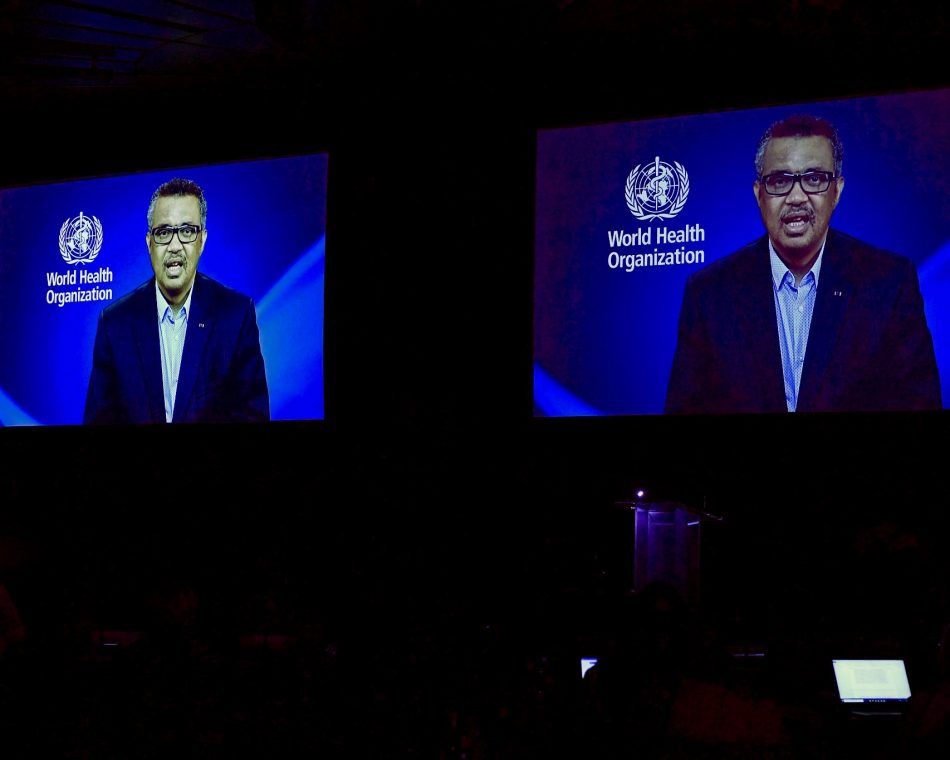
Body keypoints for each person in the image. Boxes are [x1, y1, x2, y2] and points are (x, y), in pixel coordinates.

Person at [665, 114, 941, 414]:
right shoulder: (709, 293)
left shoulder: (889, 284)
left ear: (837, 191)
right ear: (759, 195)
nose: (796, 197)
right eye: (780, 181)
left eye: (814, 179)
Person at [84, 178, 269, 424]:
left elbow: (253, 416)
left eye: (187, 231)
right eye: (163, 232)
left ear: (202, 240)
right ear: (149, 243)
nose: (174, 246)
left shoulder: (236, 315)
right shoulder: (114, 323)